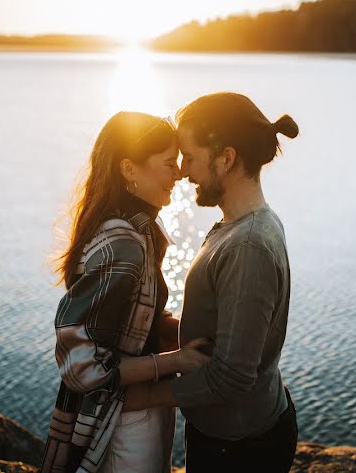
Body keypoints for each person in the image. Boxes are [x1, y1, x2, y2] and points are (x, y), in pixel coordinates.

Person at [125, 93, 299, 472]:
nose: (183, 171)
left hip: (240, 449)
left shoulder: (249, 245)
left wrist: (142, 396)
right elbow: (219, 331)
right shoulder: (241, 226)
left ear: (226, 157)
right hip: (233, 436)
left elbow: (233, 376)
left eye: (189, 156)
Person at [41, 111, 211, 473]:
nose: (179, 174)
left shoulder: (141, 231)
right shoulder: (124, 244)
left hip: (141, 407)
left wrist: (182, 330)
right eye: (169, 163)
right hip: (121, 422)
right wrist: (177, 361)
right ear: (129, 169)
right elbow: (82, 364)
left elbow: (133, 321)